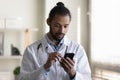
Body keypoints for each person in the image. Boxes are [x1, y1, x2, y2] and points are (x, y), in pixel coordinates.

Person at [20, 2, 91, 80]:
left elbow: (87, 78)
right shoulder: (31, 50)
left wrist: (73, 73)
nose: (62, 30)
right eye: (57, 25)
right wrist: (44, 67)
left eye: (65, 26)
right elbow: (24, 78)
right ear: (48, 22)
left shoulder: (77, 49)